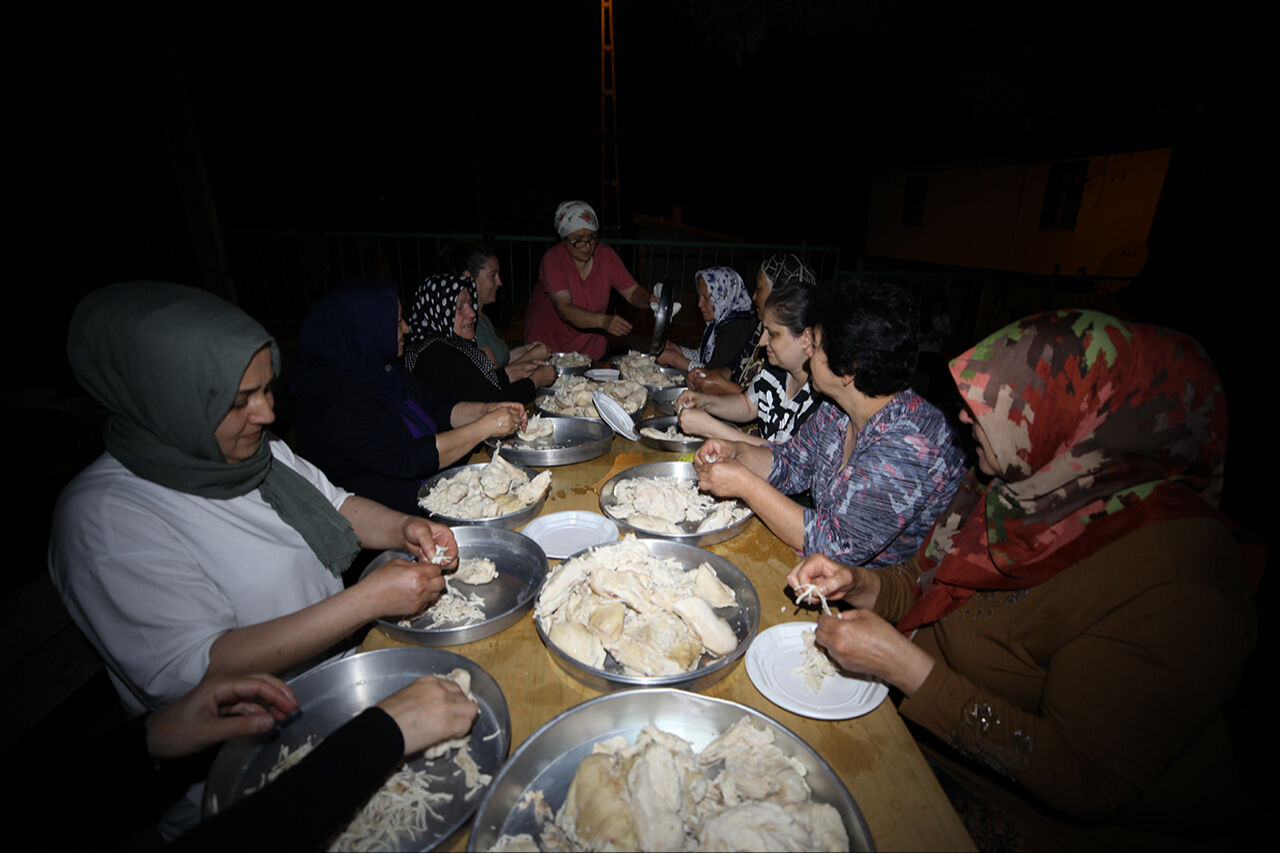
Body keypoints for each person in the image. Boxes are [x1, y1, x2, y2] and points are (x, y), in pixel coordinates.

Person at [786, 310, 1255, 843]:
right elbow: (923, 582)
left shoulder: (1177, 582)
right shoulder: (1025, 489)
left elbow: (1086, 780)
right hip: (922, 737)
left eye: (999, 407)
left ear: (1079, 420)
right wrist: (857, 582)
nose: (964, 418)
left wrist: (906, 669)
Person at [49, 282, 457, 719]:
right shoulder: (106, 516)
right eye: (240, 401)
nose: (266, 414)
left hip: (344, 679)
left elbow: (336, 505)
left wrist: (405, 528)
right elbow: (195, 669)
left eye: (267, 390)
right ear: (169, 401)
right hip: (265, 741)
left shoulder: (259, 449)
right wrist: (366, 601)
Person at [694, 278, 966, 566]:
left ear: (848, 369)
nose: (809, 351)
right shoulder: (837, 409)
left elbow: (834, 544)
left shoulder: (909, 447)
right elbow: (790, 463)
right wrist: (736, 452)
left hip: (878, 599)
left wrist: (745, 484)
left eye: (818, 345)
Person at [290, 283, 526, 516]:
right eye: (397, 322)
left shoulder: (384, 370)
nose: (406, 328)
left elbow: (439, 410)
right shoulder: (332, 398)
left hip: (429, 497)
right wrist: (485, 427)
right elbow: (408, 458)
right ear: (366, 329)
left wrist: (487, 410)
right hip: (394, 526)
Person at [676, 281, 818, 445]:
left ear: (806, 338)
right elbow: (748, 405)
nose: (762, 341)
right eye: (764, 330)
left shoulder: (818, 399)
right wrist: (704, 401)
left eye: (772, 334)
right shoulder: (776, 370)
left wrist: (710, 428)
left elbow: (780, 457)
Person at [522, 200, 654, 360]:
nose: (586, 245)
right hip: (550, 349)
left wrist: (648, 300)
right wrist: (604, 321)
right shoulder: (553, 260)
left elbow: (632, 291)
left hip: (592, 349)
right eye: (577, 239)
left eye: (591, 238)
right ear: (564, 239)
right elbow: (564, 308)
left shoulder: (605, 255)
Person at [405, 273, 554, 404]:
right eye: (459, 308)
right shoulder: (438, 355)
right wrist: (536, 380)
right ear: (438, 314)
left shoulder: (451, 346)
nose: (472, 313)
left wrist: (514, 371)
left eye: (470, 304)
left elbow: (478, 384)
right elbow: (494, 403)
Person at [687, 253, 817, 395]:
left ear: (779, 294)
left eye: (759, 289)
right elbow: (734, 368)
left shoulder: (786, 352)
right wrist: (709, 375)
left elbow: (758, 404)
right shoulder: (759, 330)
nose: (754, 296)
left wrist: (721, 386)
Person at [450, 242, 551, 381]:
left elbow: (501, 358)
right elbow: (495, 379)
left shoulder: (483, 317)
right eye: (493, 276)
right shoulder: (470, 323)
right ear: (469, 278)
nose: (499, 282)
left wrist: (527, 350)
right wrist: (531, 357)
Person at [656, 266, 759, 373]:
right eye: (699, 297)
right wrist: (676, 349)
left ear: (723, 296)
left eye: (706, 298)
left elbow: (714, 375)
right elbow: (703, 356)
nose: (699, 304)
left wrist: (674, 359)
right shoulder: (718, 323)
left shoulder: (737, 328)